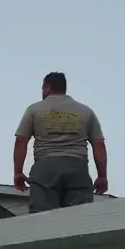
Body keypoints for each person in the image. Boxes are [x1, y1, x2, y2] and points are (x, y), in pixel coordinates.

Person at [13, 72, 108, 212]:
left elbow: (21, 141)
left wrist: (18, 172)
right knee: (78, 216)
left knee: (42, 217)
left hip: (45, 168)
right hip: (78, 168)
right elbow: (99, 145)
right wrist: (102, 176)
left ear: (48, 87)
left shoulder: (34, 109)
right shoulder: (86, 111)